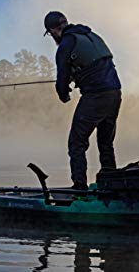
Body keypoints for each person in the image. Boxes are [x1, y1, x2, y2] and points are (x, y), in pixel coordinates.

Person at [43, 11, 122, 190]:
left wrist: (64, 94)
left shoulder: (66, 43)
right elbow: (94, 65)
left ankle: (79, 187)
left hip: (96, 96)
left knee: (76, 142)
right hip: (115, 93)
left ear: (53, 30)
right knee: (105, 142)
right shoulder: (90, 35)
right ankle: (111, 185)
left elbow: (62, 80)